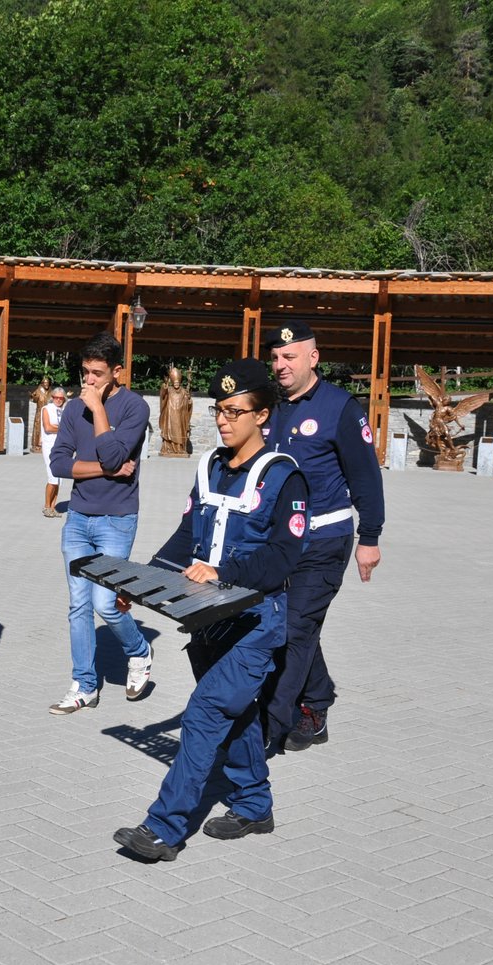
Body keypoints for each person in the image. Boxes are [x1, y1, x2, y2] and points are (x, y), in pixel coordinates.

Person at [113, 359, 309, 862]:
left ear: (263, 415)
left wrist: (224, 573)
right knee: (236, 712)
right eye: (219, 410)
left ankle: (164, 828)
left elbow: (284, 557)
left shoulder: (284, 476)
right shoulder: (208, 467)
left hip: (257, 621)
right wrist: (142, 581)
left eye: (235, 411)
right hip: (208, 619)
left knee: (204, 713)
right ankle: (253, 804)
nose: (223, 420)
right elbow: (186, 537)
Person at [264, 320, 385, 752]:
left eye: (289, 356)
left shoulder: (340, 407)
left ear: (313, 358)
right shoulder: (269, 407)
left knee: (295, 628)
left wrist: (369, 537)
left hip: (325, 539)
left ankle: (270, 725)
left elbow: (366, 478)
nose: (280, 365)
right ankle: (316, 701)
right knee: (289, 623)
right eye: (276, 357)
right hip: (278, 543)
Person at [46, 332, 152, 714]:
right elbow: (59, 464)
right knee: (78, 605)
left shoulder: (135, 407)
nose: (88, 382)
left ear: (118, 372)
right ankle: (84, 685)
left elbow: (113, 450)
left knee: (106, 603)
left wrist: (100, 412)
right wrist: (106, 470)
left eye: (97, 374)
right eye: (85, 373)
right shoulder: (74, 409)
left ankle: (139, 651)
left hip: (117, 520)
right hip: (77, 518)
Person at [39, 385, 66, 517]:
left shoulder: (63, 410)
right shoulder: (46, 409)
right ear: (52, 397)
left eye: (61, 398)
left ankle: (53, 507)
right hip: (50, 445)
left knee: (60, 478)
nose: (59, 400)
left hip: (61, 446)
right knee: (52, 476)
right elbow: (48, 427)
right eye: (56, 398)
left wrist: (60, 428)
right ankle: (46, 506)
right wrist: (62, 429)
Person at [159, 365, 192, 457]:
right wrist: (165, 385)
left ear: (180, 382)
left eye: (178, 383)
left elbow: (188, 404)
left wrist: (189, 400)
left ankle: (180, 449)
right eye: (175, 383)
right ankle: (168, 448)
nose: (176, 385)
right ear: (173, 382)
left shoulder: (184, 391)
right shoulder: (169, 390)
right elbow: (163, 395)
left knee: (180, 431)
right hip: (170, 415)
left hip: (180, 416)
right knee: (170, 431)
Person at [29, 375, 53, 452]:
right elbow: (34, 399)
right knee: (38, 429)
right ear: (42, 383)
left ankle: (45, 444)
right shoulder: (38, 391)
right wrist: (33, 396)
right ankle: (36, 445)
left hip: (48, 413)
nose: (46, 384)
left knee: (47, 428)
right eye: (45, 383)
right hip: (40, 412)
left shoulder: (51, 392)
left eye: (47, 383)